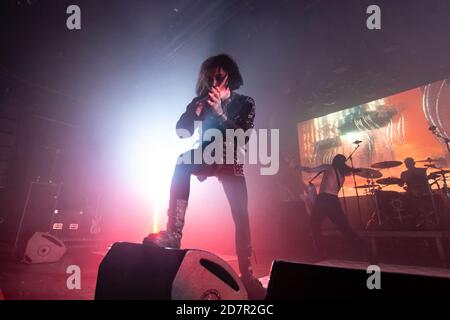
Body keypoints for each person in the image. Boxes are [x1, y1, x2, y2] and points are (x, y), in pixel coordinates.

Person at [143, 54, 265, 299]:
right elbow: (182, 132)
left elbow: (242, 137)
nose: (214, 81)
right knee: (182, 162)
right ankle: (174, 234)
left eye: (219, 76)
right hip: (206, 154)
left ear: (230, 76)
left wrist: (220, 113)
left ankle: (248, 275)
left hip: (231, 160)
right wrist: (191, 113)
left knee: (241, 216)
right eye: (209, 77)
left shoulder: (245, 102)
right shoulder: (201, 100)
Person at [299, 154, 370, 261]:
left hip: (323, 200)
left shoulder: (328, 167)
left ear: (334, 161)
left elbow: (310, 170)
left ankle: (320, 253)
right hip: (334, 202)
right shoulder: (343, 176)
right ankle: (364, 250)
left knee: (314, 225)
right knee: (345, 228)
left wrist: (297, 167)